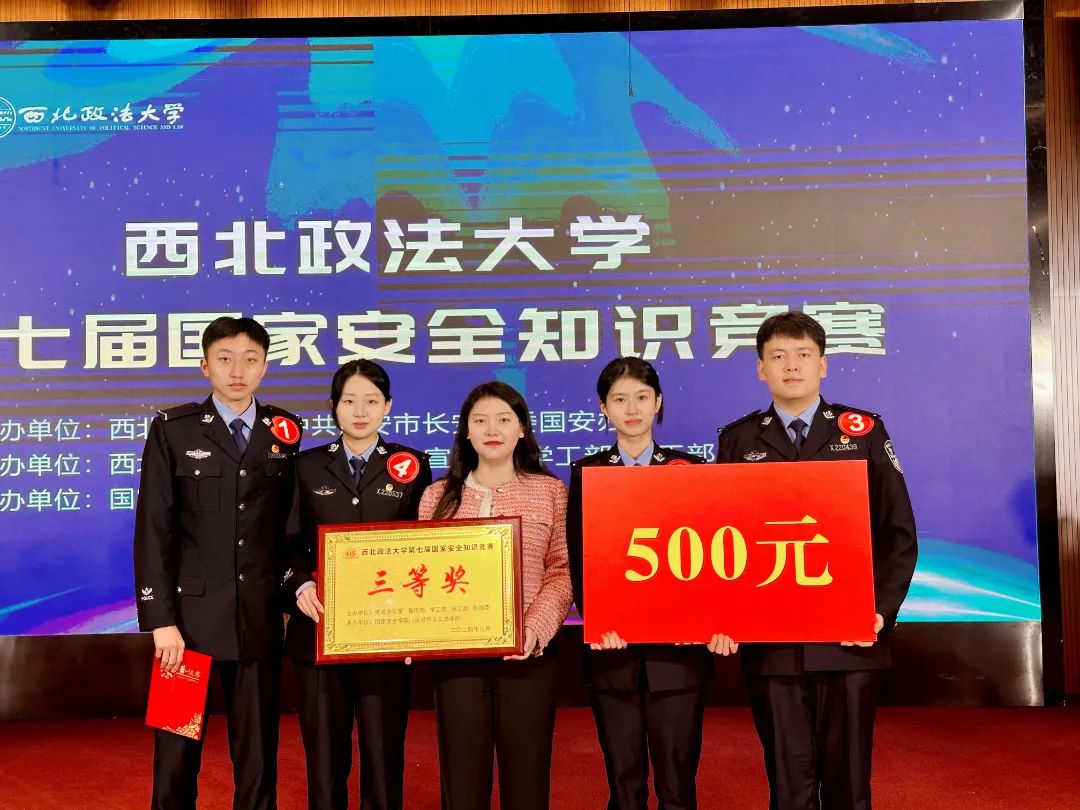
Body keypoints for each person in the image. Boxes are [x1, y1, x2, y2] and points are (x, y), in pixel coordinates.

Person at [715, 311, 917, 810]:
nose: (791, 366)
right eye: (778, 356)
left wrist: (879, 611)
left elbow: (898, 533)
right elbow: (722, 540)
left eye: (803, 355)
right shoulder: (738, 441)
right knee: (788, 784)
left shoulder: (863, 431)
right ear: (761, 369)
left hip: (850, 637)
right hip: (773, 642)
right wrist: (724, 615)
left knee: (849, 783)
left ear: (822, 365)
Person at [133, 316, 303, 810]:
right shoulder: (173, 429)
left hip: (258, 617)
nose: (237, 371)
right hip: (186, 624)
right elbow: (153, 530)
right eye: (225, 359)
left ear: (265, 367)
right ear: (205, 365)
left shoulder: (284, 431)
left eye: (250, 360)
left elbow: (289, 530)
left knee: (257, 756)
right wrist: (161, 621)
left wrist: (286, 600)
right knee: (175, 754)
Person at [281, 360, 432, 810]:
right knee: (324, 758)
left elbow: (423, 546)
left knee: (383, 755)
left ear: (388, 406)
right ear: (334, 406)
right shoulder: (305, 466)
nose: (360, 411)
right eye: (349, 401)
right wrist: (299, 586)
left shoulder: (412, 465)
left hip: (386, 633)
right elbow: (285, 543)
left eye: (371, 401)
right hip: (319, 628)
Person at [566, 357, 712, 810]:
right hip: (614, 654)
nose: (632, 409)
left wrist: (703, 620)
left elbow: (707, 558)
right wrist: (598, 618)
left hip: (679, 656)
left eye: (642, 398)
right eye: (620, 399)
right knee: (624, 785)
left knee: (677, 785)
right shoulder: (587, 472)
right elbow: (578, 556)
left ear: (658, 402)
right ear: (603, 407)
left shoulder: (690, 469)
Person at [418, 381, 572, 810]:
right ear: (466, 431)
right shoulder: (436, 497)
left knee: (527, 785)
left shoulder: (550, 491)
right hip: (457, 661)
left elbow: (562, 571)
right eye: (480, 420)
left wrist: (533, 629)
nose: (492, 429)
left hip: (528, 657)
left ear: (521, 429)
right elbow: (420, 576)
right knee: (463, 786)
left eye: (504, 419)